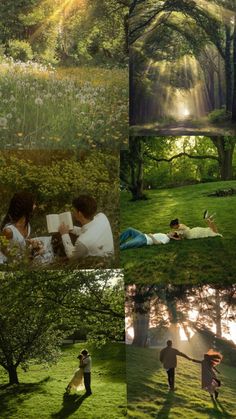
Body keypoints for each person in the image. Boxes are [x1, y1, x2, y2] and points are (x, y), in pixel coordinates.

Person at [58, 195, 114, 260]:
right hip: (110, 257)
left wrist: (64, 235)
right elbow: (87, 230)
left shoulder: (82, 242)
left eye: (74, 210)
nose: (73, 212)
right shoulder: (102, 217)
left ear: (80, 214)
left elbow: (71, 256)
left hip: (99, 263)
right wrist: (70, 228)